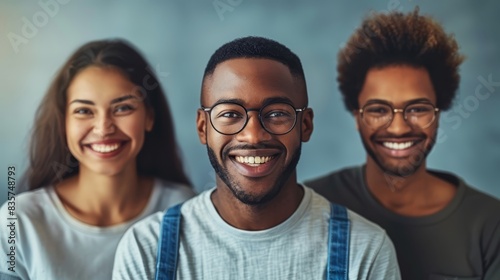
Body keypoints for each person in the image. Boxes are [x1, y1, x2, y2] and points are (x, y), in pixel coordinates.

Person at [112, 36, 400, 280]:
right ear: (203, 127)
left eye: (276, 114)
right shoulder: (147, 249)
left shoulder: (364, 251)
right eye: (230, 114)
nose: (252, 135)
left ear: (306, 125)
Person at [305, 8, 500, 280]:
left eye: (417, 109)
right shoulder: (309, 205)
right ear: (356, 116)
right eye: (378, 110)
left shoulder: (489, 225)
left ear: (439, 111)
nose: (398, 128)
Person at [0, 39, 196, 280]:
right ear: (63, 123)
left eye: (123, 108)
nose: (103, 128)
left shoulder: (185, 210)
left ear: (149, 117)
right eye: (84, 111)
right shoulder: (17, 221)